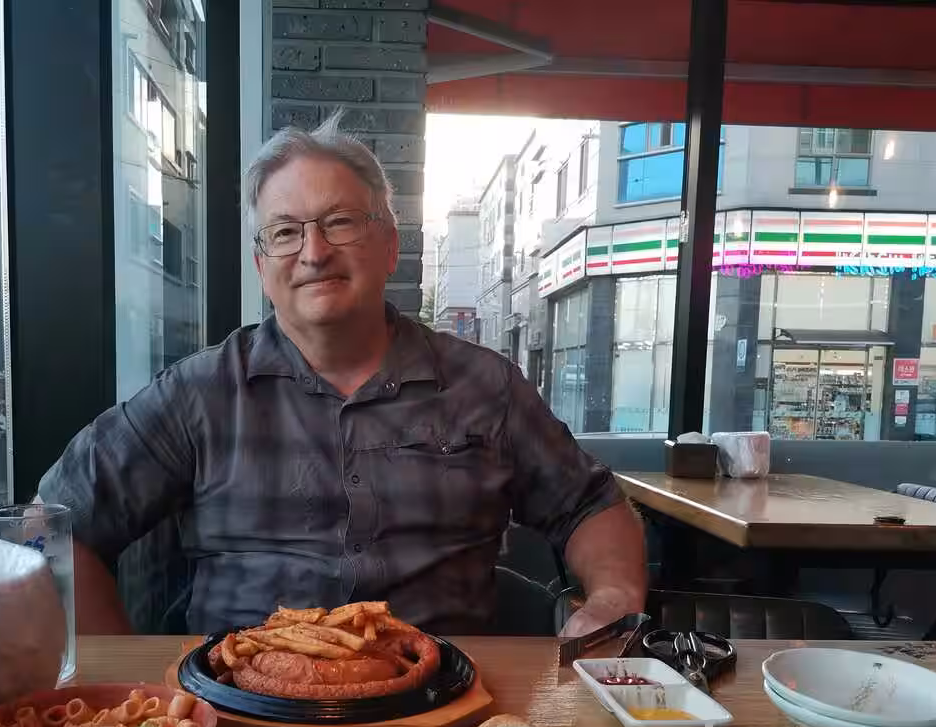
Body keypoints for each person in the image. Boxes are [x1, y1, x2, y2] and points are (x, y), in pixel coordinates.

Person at [39, 113, 646, 639]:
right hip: (240, 709)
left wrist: (614, 597)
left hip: (446, 709)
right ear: (262, 267)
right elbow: (54, 525)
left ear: (390, 247)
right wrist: (120, 679)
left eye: (340, 222)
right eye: (286, 232)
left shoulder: (485, 387)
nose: (314, 252)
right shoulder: (198, 393)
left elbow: (590, 505)